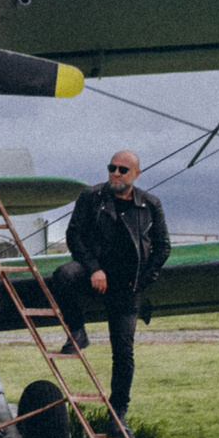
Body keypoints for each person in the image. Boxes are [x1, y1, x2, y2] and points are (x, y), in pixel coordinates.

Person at [55, 149, 170, 417]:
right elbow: (74, 235)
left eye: (122, 170)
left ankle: (118, 414)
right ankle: (77, 331)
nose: (115, 174)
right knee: (63, 275)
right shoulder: (91, 197)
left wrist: (143, 281)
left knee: (123, 353)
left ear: (136, 174)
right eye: (112, 167)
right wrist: (94, 269)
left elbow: (163, 247)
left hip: (127, 285)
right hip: (93, 274)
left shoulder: (150, 204)